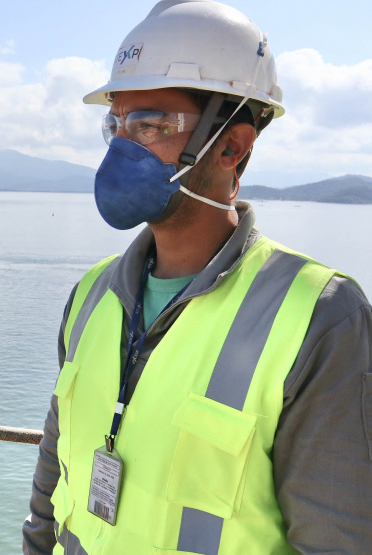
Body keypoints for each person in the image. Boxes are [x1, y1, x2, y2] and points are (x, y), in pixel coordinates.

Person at [22, 1, 372, 553]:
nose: (121, 147)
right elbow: (53, 477)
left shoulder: (321, 316)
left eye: (149, 125)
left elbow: (336, 538)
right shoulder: (91, 295)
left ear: (232, 146)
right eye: (115, 124)